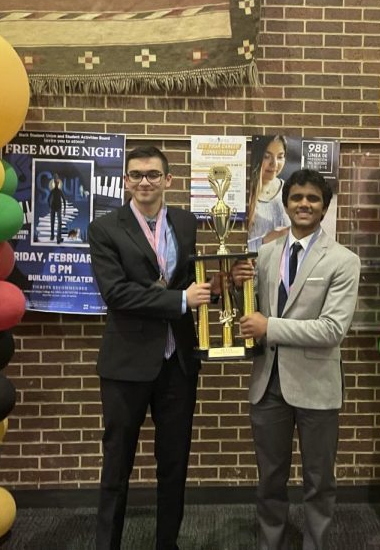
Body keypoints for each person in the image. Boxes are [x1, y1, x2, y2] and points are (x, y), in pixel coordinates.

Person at [88, 145, 218, 550]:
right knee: (117, 465)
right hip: (126, 364)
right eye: (136, 175)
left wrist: (224, 287)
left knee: (174, 464)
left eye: (153, 174)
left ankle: (168, 543)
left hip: (177, 361)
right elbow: (117, 294)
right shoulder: (105, 228)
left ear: (168, 180)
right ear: (126, 180)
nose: (145, 182)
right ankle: (107, 544)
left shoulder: (184, 222)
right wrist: (180, 301)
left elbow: (188, 279)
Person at [232, 169, 361, 550]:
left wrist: (268, 326)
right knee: (270, 477)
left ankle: (315, 545)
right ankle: (269, 543)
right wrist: (235, 287)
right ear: (286, 204)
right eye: (297, 198)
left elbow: (330, 330)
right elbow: (250, 317)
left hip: (317, 387)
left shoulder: (343, 260)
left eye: (313, 199)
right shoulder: (267, 253)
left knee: (319, 480)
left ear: (324, 206)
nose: (304, 204)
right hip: (268, 385)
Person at [247, 135, 290, 252]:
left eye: (280, 157)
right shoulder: (245, 193)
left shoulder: (291, 191)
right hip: (253, 268)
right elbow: (234, 248)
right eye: (267, 157)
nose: (274, 163)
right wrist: (265, 240)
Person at [48, 174, 67, 243]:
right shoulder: (52, 191)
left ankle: (58, 238)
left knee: (59, 222)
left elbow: (64, 200)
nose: (56, 183)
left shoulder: (59, 191)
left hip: (58, 207)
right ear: (54, 183)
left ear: (58, 183)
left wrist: (64, 210)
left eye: (57, 182)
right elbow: (48, 199)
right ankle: (52, 236)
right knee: (52, 222)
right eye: (55, 181)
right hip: (53, 207)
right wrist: (49, 207)